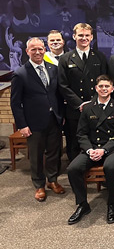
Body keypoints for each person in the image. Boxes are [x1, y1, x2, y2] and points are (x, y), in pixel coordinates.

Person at [10, 37, 64, 201]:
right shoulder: (20, 73)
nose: (38, 52)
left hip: (54, 119)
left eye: (40, 49)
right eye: (33, 49)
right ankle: (39, 185)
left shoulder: (53, 68)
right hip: (33, 123)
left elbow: (57, 95)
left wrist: (61, 115)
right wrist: (22, 125)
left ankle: (52, 180)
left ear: (44, 50)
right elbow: (15, 103)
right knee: (36, 155)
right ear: (27, 52)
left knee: (54, 153)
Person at [66, 75, 114, 225]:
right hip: (91, 148)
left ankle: (111, 204)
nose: (104, 89)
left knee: (110, 167)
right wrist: (89, 150)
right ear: (96, 88)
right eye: (101, 86)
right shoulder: (87, 108)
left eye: (107, 86)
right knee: (72, 168)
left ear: (112, 89)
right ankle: (82, 204)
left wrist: (104, 150)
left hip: (112, 148)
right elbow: (81, 133)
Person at [58, 22, 108, 161]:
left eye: (87, 35)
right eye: (80, 35)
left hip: (96, 107)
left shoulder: (100, 57)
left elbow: (104, 83)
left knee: (96, 140)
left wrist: (92, 103)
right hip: (75, 109)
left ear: (92, 37)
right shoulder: (65, 58)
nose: (84, 38)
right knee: (74, 142)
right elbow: (63, 85)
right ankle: (77, 176)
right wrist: (80, 104)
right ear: (74, 36)